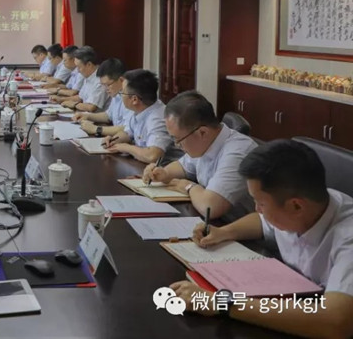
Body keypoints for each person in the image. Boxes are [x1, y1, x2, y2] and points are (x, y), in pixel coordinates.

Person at [171, 140, 353, 339]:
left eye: (261, 203)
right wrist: (223, 232)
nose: (257, 209)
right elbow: (261, 222)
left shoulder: (348, 236)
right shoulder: (304, 205)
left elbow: (336, 322)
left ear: (297, 206)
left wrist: (221, 303)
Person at [142, 90, 256, 220]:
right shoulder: (205, 141)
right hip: (218, 223)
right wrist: (163, 173)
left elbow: (210, 208)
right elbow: (183, 166)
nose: (177, 145)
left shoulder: (238, 152)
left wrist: (189, 187)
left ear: (202, 133)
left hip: (239, 227)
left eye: (178, 139)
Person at [102, 69, 174, 163]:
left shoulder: (157, 119)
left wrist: (126, 148)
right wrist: (114, 140)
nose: (121, 95)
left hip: (164, 169)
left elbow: (153, 156)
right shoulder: (141, 110)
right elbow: (128, 132)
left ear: (134, 99)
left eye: (122, 92)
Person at [73, 58, 132, 137]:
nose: (106, 89)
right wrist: (87, 116)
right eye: (103, 85)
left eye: (108, 85)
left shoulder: (131, 97)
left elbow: (127, 128)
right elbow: (108, 116)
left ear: (121, 80)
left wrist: (96, 129)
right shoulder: (117, 93)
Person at [60, 47, 108, 113]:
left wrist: (74, 104)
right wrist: (61, 99)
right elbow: (80, 97)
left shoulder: (100, 80)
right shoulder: (88, 76)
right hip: (85, 114)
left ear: (89, 64)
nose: (77, 71)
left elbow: (91, 107)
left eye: (79, 67)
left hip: (95, 117)